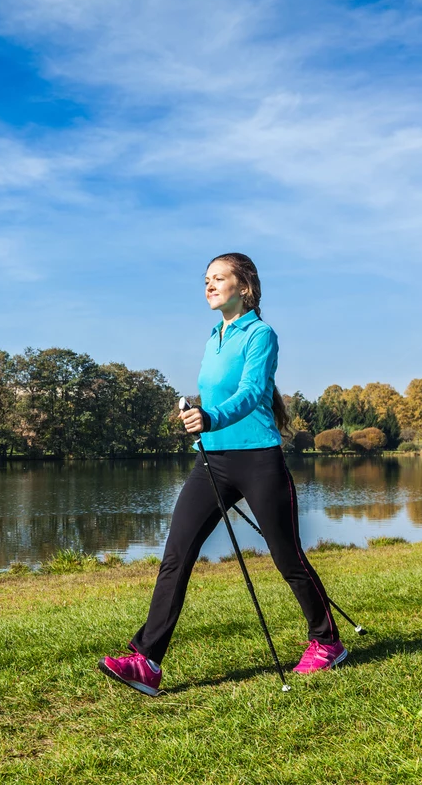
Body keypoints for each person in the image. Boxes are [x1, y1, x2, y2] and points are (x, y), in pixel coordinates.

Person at [99, 253, 346, 696]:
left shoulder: (261, 334)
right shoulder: (214, 335)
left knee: (287, 558)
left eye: (219, 278)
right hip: (211, 461)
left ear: (244, 287)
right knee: (177, 555)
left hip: (259, 460)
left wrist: (210, 417)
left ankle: (327, 642)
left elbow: (253, 392)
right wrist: (197, 418)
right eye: (206, 279)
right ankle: (147, 661)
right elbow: (213, 398)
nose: (209, 286)